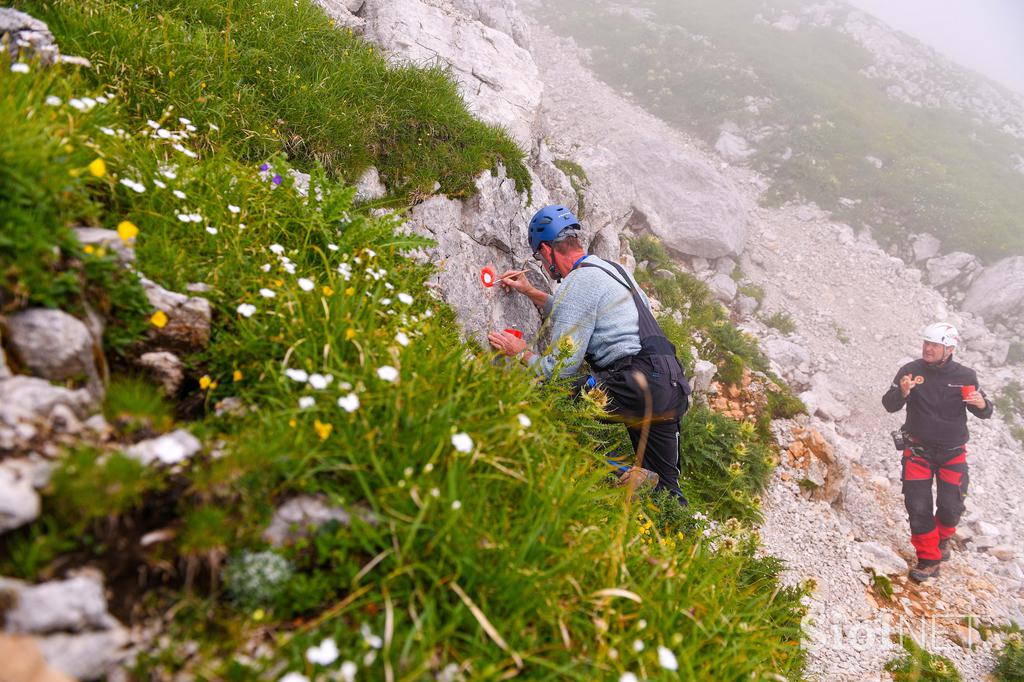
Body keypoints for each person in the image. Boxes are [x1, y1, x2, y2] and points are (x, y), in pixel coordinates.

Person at [487, 205, 691, 503]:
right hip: (671, 385)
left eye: (539, 258)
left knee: (552, 406)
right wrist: (531, 292)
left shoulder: (576, 283)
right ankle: (678, 529)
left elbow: (556, 373)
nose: (543, 265)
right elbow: (585, 311)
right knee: (668, 494)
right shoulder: (612, 269)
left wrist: (519, 352)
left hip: (635, 382)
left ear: (546, 250)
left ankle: (620, 472)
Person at [882, 322, 993, 582]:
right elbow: (889, 404)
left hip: (953, 452)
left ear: (949, 348)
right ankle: (929, 559)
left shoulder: (966, 376)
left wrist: (982, 403)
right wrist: (903, 391)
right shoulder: (909, 371)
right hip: (918, 450)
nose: (928, 349)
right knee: (918, 505)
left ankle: (942, 538)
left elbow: (984, 411)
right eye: (926, 343)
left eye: (935, 345)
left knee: (951, 506)